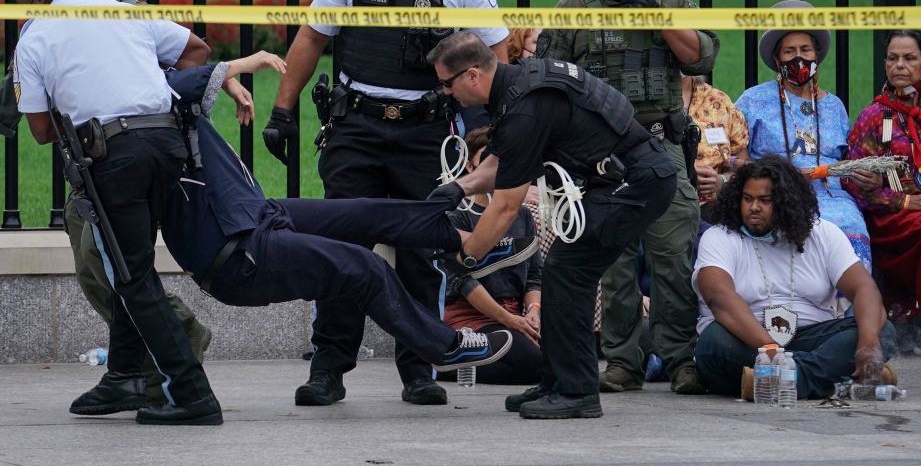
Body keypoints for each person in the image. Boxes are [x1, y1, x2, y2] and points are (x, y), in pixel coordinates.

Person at [261, 0, 510, 407]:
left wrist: (494, 130)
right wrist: (282, 110)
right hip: (357, 129)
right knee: (343, 251)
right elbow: (311, 36)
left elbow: (498, 55)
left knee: (423, 254)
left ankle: (419, 367)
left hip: (426, 136)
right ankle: (329, 367)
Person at [159, 63, 526, 397]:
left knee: (371, 212)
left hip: (258, 214)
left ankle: (472, 245)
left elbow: (189, 55)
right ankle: (444, 347)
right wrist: (246, 64)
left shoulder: (162, 94)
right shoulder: (145, 104)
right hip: (239, 248)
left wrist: (229, 80)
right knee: (363, 265)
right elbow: (193, 54)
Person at [0, 0, 213, 406]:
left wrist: (127, 96)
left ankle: (182, 368)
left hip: (114, 155)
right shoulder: (118, 13)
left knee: (124, 272)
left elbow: (38, 127)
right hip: (150, 149)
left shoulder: (71, 18)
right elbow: (7, 96)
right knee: (115, 267)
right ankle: (124, 375)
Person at [428, 32, 677, 420]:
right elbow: (502, 159)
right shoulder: (518, 86)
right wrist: (459, 186)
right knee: (563, 269)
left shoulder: (525, 106)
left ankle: (577, 391)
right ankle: (557, 381)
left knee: (567, 272)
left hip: (636, 182)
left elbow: (507, 207)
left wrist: (464, 259)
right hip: (623, 179)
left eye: (447, 83)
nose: (444, 92)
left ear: (472, 75)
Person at [536, 0, 716, 395]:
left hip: (661, 145)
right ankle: (621, 362)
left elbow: (700, 59)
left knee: (672, 256)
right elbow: (546, 76)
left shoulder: (672, 2)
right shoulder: (573, 10)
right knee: (612, 261)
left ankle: (680, 359)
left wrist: (656, 19)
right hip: (600, 155)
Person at [692, 156, 896, 399]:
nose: (753, 207)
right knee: (714, 343)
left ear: (786, 202)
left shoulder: (823, 233)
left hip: (811, 336)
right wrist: (770, 350)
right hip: (748, 340)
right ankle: (834, 379)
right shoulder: (720, 236)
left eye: (765, 200)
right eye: (747, 199)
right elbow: (718, 296)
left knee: (881, 330)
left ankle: (770, 383)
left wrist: (869, 344)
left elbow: (864, 288)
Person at [735, 0, 875, 272]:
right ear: (777, 59)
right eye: (789, 51)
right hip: (774, 192)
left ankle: (846, 310)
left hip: (832, 197)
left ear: (817, 56)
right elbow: (736, 154)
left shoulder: (834, 105)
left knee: (850, 226)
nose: (798, 58)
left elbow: (847, 161)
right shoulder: (753, 100)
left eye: (805, 50)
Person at [845, 29, 921, 356]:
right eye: (893, 58)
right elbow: (852, 181)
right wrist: (906, 201)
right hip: (891, 218)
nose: (900, 65)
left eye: (909, 58)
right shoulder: (874, 117)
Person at [439, 127, 543, 385]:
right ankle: (447, 364)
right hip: (472, 316)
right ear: (470, 167)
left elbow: (535, 275)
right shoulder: (457, 216)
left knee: (568, 355)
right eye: (486, 160)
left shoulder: (522, 216)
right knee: (537, 366)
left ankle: (463, 364)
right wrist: (509, 320)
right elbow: (461, 281)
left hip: (514, 314)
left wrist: (533, 311)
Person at [683, 75, 748, 222]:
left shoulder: (718, 101)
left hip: (709, 212)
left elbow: (744, 166)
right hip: (658, 212)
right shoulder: (643, 104)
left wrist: (722, 181)